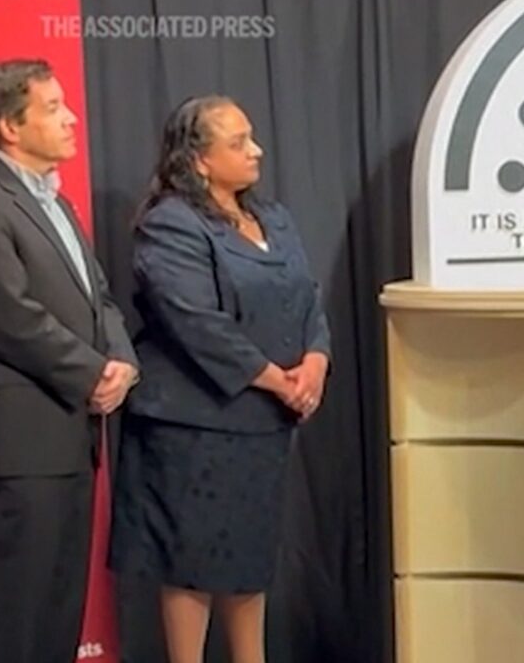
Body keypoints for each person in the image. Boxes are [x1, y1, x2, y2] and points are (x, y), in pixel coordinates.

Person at [110, 96, 329, 663]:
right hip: (193, 426)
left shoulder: (274, 218)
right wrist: (277, 381)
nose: (256, 150)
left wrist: (315, 361)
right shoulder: (170, 225)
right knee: (192, 564)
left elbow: (307, 297)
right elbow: (195, 323)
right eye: (238, 143)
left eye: (251, 137)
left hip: (261, 427)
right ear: (199, 160)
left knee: (248, 561)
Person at [0, 59, 139, 663]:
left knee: (57, 618)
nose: (71, 118)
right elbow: (7, 315)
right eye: (52, 108)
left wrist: (121, 360)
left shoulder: (56, 203)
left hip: (71, 439)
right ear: (10, 127)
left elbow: (98, 299)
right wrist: (92, 374)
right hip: (17, 448)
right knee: (16, 625)